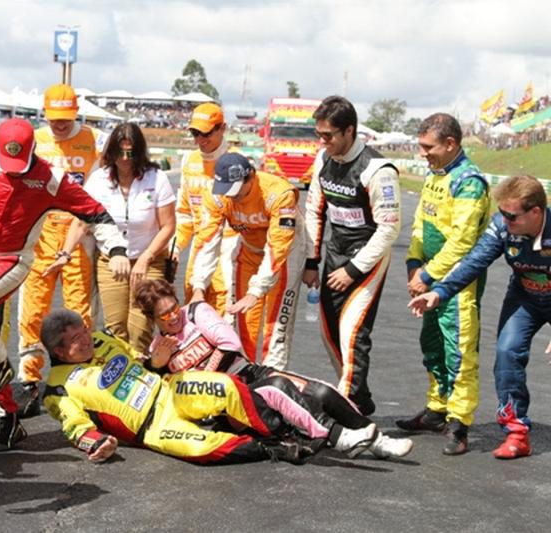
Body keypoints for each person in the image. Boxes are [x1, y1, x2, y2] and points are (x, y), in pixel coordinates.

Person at [0, 118, 130, 452]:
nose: (13, 172)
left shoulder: (50, 178)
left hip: (10, 260)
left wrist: (116, 249)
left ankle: (2, 369)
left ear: (33, 150)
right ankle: (8, 418)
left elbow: (95, 213)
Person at [42, 308, 381, 465]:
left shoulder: (103, 338)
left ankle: (301, 432)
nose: (86, 340)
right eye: (75, 340)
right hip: (153, 426)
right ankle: (276, 448)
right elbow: (75, 427)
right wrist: (96, 444)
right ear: (58, 351)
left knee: (227, 386)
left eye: (83, 331)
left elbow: (141, 361)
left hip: (170, 390)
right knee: (203, 450)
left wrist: (156, 362)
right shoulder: (57, 389)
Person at [135, 279, 413, 459]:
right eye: (165, 315)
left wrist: (205, 374)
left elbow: (230, 344)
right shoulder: (158, 349)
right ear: (152, 319)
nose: (174, 316)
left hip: (247, 373)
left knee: (321, 392)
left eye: (174, 307)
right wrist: (155, 365)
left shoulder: (196, 313)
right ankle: (338, 436)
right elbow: (166, 395)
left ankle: (376, 440)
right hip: (226, 406)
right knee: (277, 389)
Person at [408, 175, 551, 460]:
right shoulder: (502, 226)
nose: (505, 220)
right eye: (502, 213)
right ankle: (517, 433)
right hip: (525, 298)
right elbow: (474, 261)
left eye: (512, 216)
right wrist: (439, 292)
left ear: (536, 212)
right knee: (507, 353)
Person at [397, 113, 491, 456]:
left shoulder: (469, 181)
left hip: (459, 281)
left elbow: (462, 242)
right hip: (429, 275)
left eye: (428, 147)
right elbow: (421, 221)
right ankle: (436, 409)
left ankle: (459, 422)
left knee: (460, 351)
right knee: (432, 344)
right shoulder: (434, 173)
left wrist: (427, 275)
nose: (422, 153)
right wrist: (413, 263)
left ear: (450, 144)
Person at [302, 95, 401, 416]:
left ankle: (349, 409)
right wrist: (311, 261)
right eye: (319, 134)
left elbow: (389, 229)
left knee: (353, 333)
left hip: (367, 258)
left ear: (349, 131)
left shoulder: (378, 170)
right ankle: (359, 394)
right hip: (335, 252)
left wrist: (354, 270)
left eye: (328, 135)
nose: (322, 141)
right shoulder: (323, 159)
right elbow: (314, 210)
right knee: (330, 332)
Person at [17, 84, 106, 417]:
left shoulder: (94, 140)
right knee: (33, 310)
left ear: (76, 112)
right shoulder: (34, 140)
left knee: (80, 309)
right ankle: (29, 378)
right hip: (40, 234)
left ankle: (80, 373)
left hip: (78, 234)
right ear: (45, 113)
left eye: (66, 117)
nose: (60, 124)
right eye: (54, 117)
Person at [189, 152, 306, 370]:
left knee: (276, 325)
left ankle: (273, 376)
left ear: (251, 176)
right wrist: (199, 286)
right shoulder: (216, 195)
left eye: (236, 191)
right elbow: (207, 241)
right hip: (250, 249)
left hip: (285, 254)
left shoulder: (278, 194)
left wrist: (256, 291)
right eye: (226, 190)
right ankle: (244, 374)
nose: (231, 196)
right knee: (242, 319)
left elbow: (278, 248)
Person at [75, 122, 175, 352]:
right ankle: (122, 369)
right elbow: (81, 221)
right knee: (116, 327)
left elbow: (168, 226)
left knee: (140, 328)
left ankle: (143, 366)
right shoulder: (99, 180)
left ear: (139, 152)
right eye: (119, 152)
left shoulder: (157, 178)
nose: (124, 159)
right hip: (111, 260)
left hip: (149, 259)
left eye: (130, 153)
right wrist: (63, 253)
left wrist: (146, 258)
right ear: (111, 152)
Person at [174, 103, 238, 314]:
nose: (200, 139)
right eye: (195, 133)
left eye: (206, 133)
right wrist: (176, 247)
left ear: (222, 128)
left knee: (224, 313)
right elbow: (184, 212)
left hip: (229, 248)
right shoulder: (189, 160)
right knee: (193, 310)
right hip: (199, 246)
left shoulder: (238, 162)